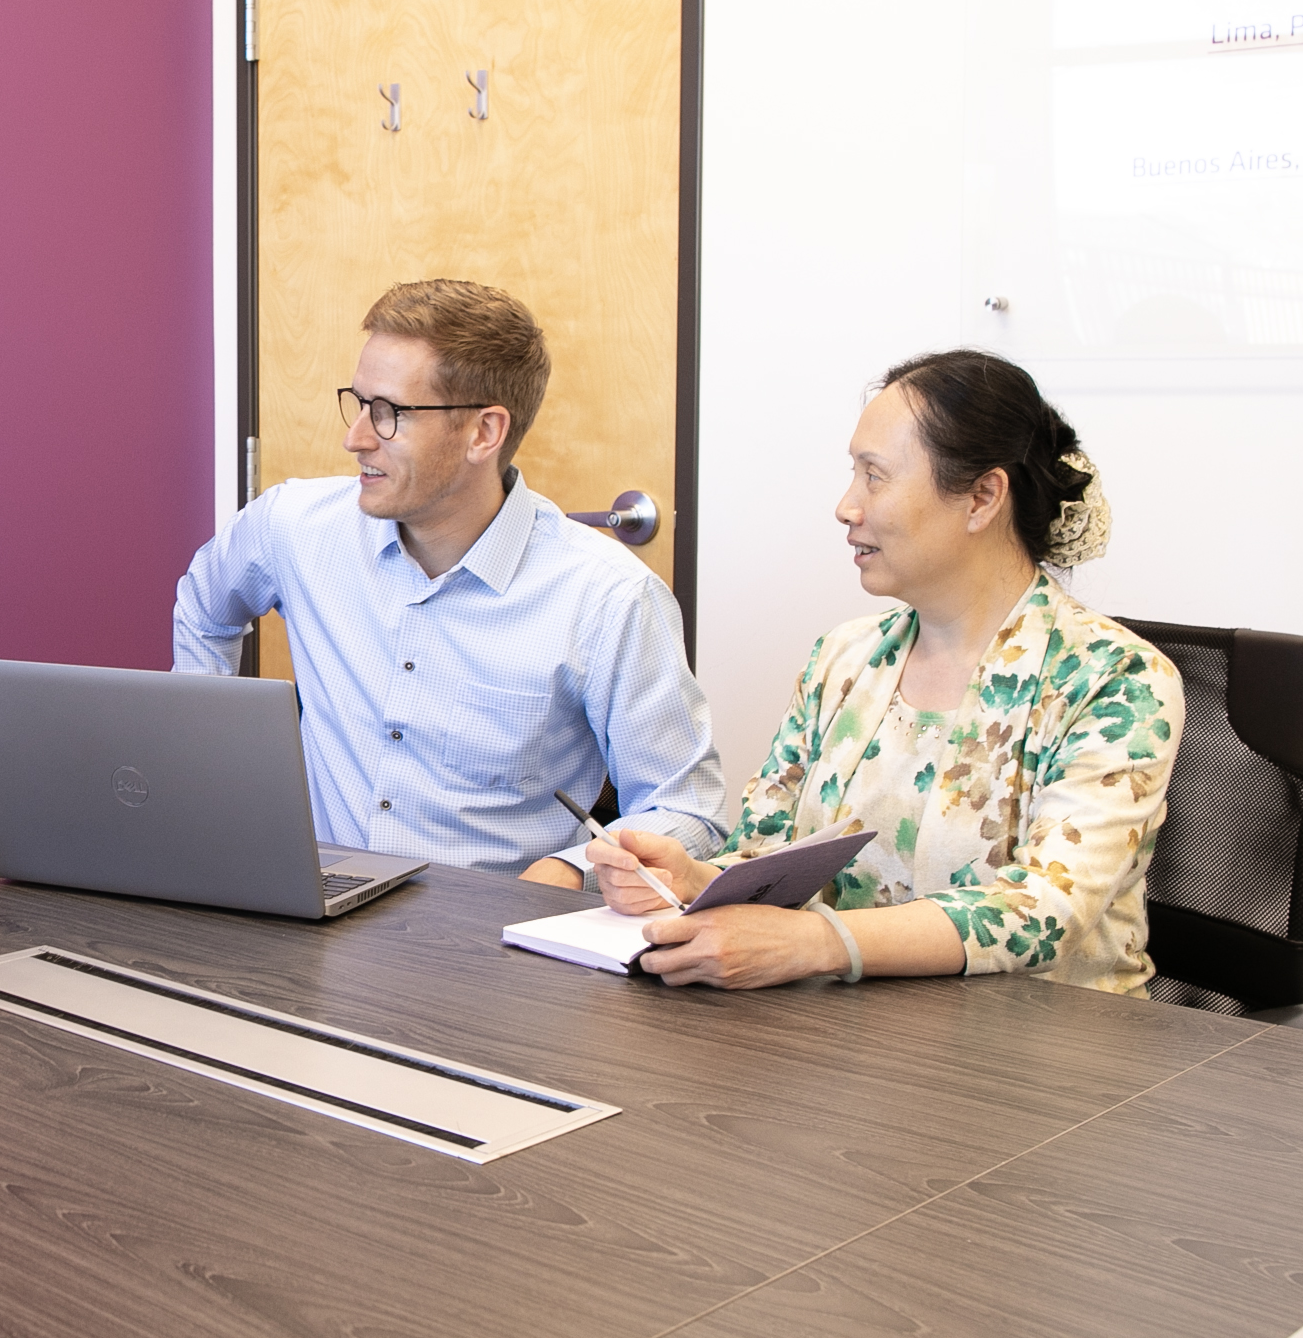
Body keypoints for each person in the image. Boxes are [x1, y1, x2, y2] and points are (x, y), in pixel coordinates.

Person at [582, 349, 1183, 994]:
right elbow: (768, 851)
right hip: (848, 1037)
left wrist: (819, 944)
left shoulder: (1118, 680)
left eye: (875, 477)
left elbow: (1041, 913)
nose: (846, 506)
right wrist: (692, 878)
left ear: (982, 496)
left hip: (1046, 1058)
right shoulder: (841, 658)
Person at [171, 279, 729, 881]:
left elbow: (688, 808)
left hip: (493, 937)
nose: (355, 437)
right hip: (314, 905)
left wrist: (572, 870)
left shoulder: (609, 597)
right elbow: (205, 609)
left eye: (388, 414)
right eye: (358, 403)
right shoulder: (292, 527)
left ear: (484, 433)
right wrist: (213, 772)